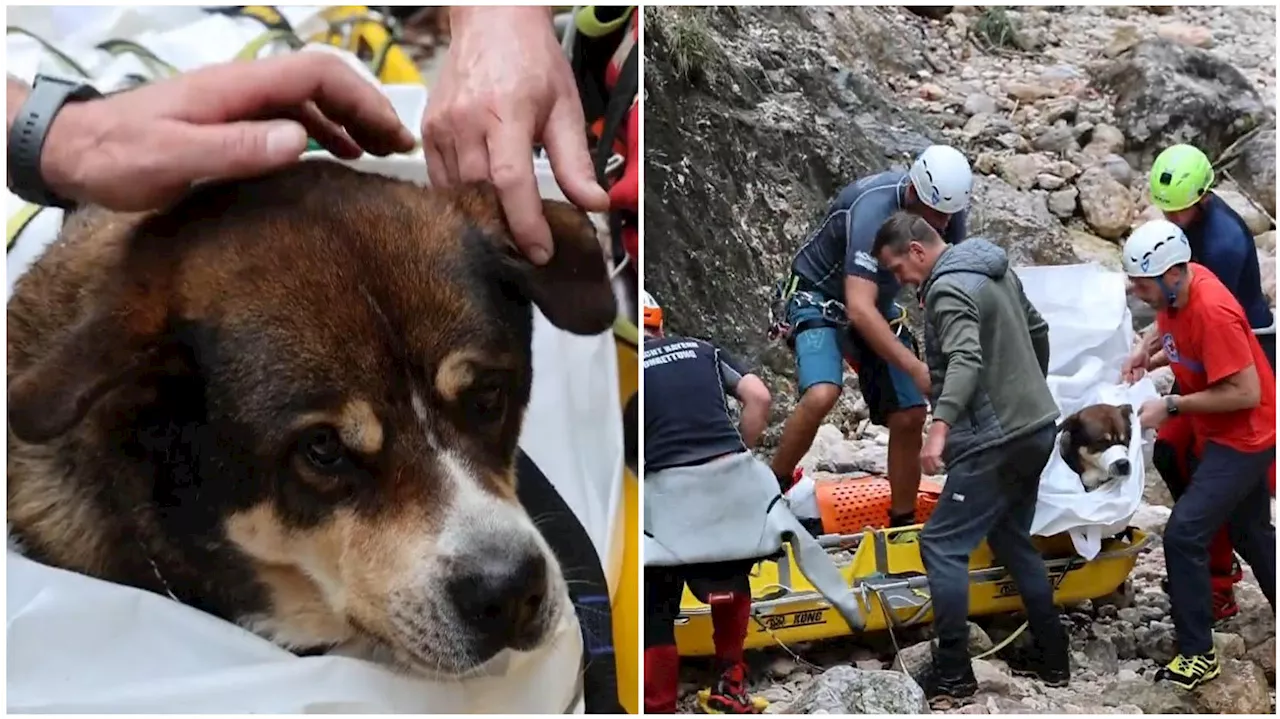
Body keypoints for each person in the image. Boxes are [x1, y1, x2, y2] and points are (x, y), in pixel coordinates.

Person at [871, 212, 1069, 700]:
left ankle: (955, 673)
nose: (900, 281)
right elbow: (1038, 330)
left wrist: (939, 430)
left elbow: (964, 360)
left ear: (918, 250)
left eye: (898, 269)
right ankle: (1054, 657)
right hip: (1037, 426)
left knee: (941, 544)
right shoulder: (993, 269)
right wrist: (1027, 393)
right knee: (1010, 536)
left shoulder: (946, 290)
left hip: (993, 442)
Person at [768, 144, 974, 528]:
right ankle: (768, 491)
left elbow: (950, 283)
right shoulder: (872, 209)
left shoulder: (947, 211)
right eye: (934, 217)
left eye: (948, 218)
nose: (942, 226)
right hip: (818, 296)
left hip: (877, 300)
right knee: (822, 393)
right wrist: (914, 367)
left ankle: (902, 523)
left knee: (912, 413)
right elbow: (859, 307)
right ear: (914, 194)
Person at [1122, 219, 1276, 690]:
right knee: (1250, 530)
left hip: (1244, 436)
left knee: (1183, 535)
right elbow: (1173, 333)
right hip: (1220, 429)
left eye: (1143, 285)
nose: (1138, 293)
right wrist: (1145, 351)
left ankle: (1197, 654)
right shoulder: (1177, 295)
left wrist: (1172, 404)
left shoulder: (1214, 311)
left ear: (1171, 274)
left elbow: (1245, 391)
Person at [1130, 142, 1277, 620]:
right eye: (1166, 210)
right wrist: (1149, 347)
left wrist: (1170, 397)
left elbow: (1207, 330)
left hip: (1242, 356)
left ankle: (1215, 574)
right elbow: (1175, 311)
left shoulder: (1224, 249)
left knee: (1228, 485)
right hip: (1207, 357)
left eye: (1180, 211)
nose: (1172, 219)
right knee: (1174, 454)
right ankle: (1215, 562)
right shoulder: (1184, 243)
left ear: (1205, 198)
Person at [641, 290, 771, 714]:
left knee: (656, 598)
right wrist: (739, 455)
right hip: (727, 485)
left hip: (667, 493)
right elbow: (759, 397)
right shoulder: (703, 349)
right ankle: (729, 687)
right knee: (732, 571)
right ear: (659, 324)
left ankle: (657, 705)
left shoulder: (616, 369)